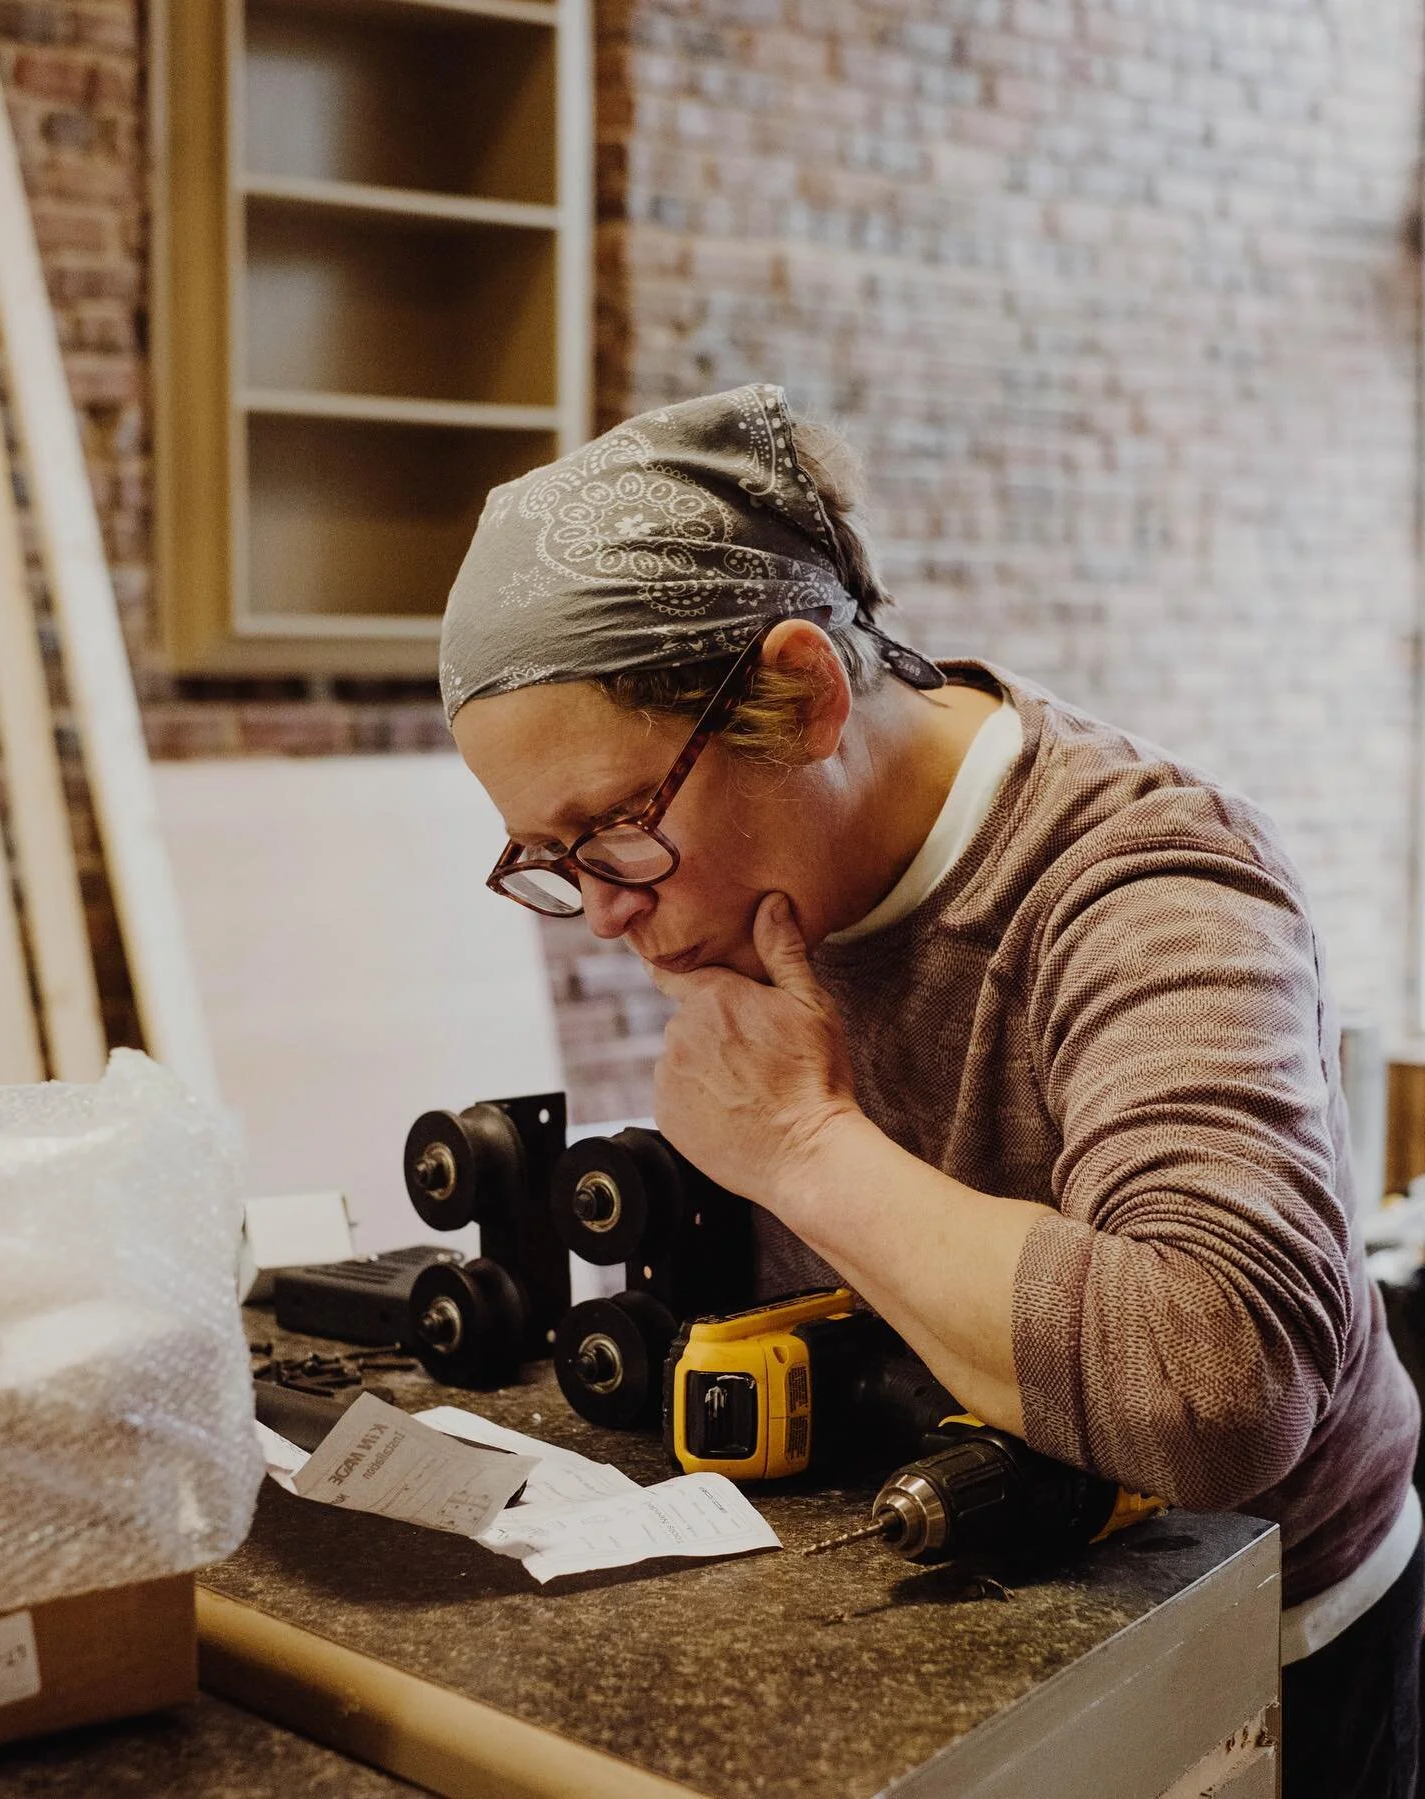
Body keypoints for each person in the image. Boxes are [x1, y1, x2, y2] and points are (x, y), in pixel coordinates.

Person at [439, 383, 1422, 1796]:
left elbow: (1224, 1385)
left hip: (1260, 1647)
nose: (601, 911)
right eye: (549, 856)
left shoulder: (1150, 882)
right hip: (983, 1586)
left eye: (618, 828)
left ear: (807, 692)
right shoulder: (758, 889)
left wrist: (801, 1147)